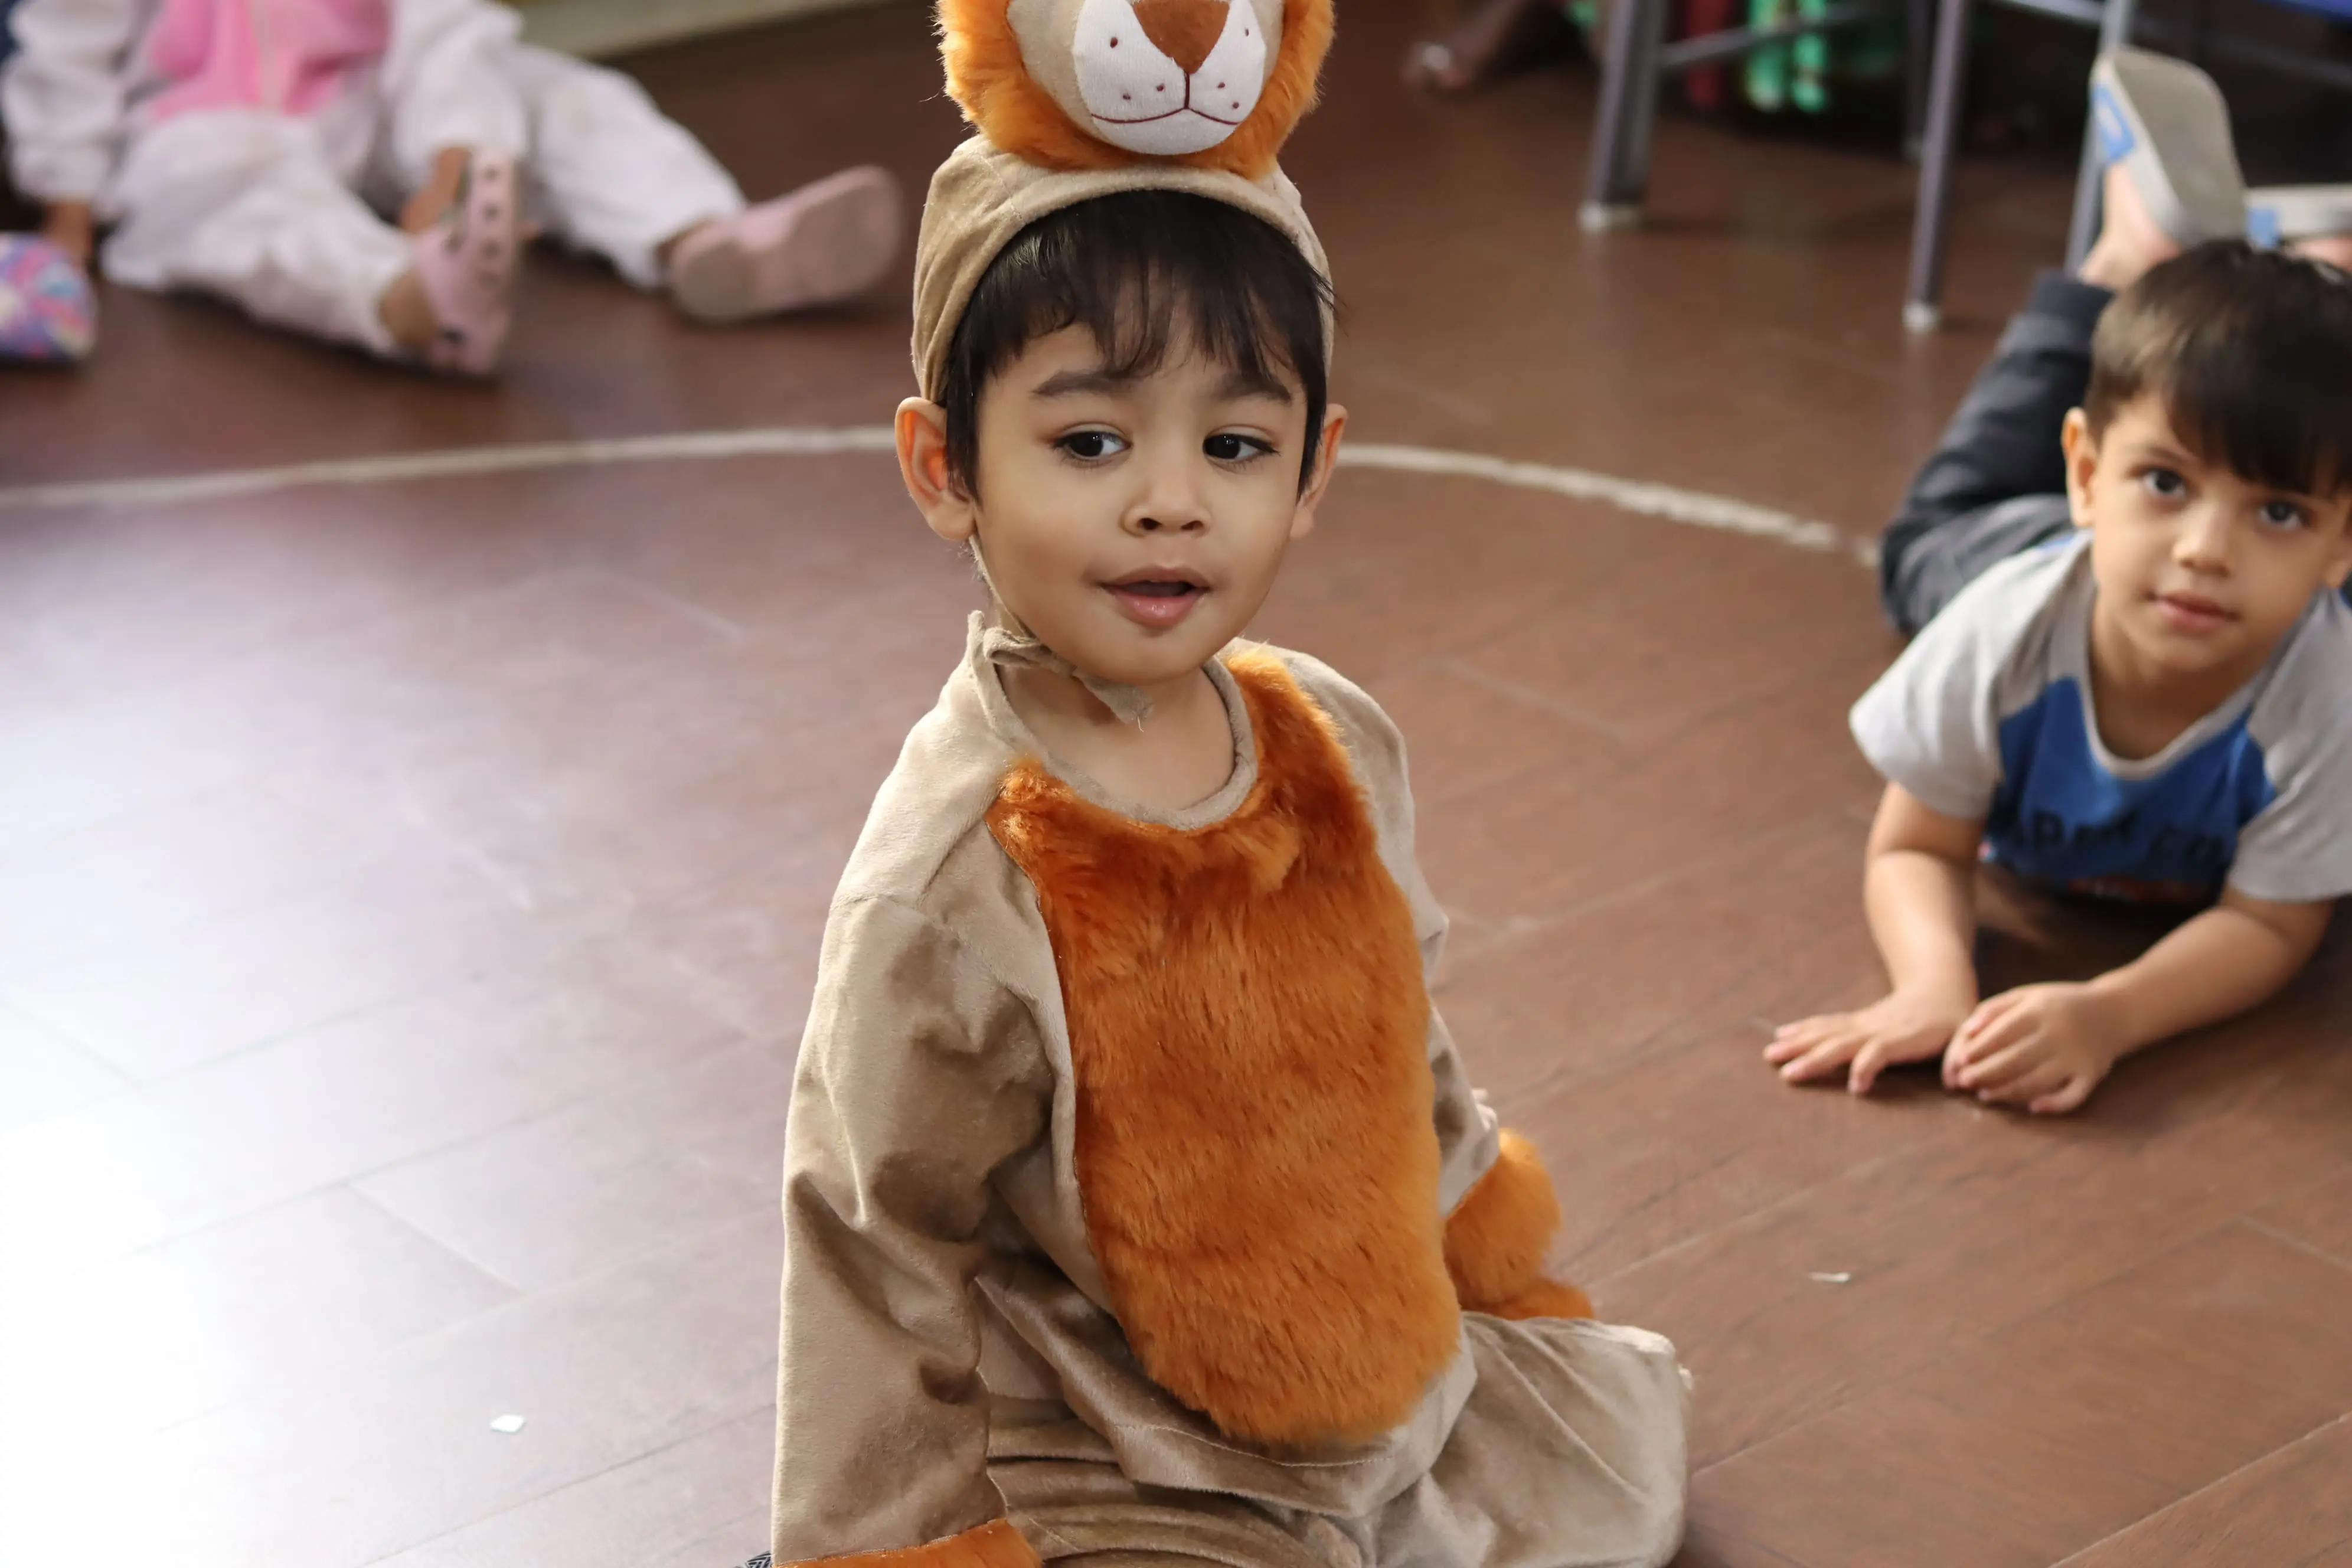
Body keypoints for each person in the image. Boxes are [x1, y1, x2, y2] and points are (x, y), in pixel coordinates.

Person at [740, 0, 1691, 1563]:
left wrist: (1484, 1262)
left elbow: (1400, 1051)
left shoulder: (1328, 735)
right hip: (1116, 1431)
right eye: (1092, 441)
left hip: (1374, 1387)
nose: (1171, 504)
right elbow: (876, 1235)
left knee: (1616, 1443)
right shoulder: (958, 874)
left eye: (1235, 448)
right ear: (944, 468)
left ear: (1315, 468)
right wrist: (900, 1533)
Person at [1769, 50, 2352, 1116]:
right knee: (1923, 550)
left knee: (2285, 411)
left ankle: (2314, 282)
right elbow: (1916, 840)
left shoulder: (2328, 695)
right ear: (2085, 473)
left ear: (2340, 541)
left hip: (2266, 592)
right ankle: (2132, 256)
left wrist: (2109, 1012)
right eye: (2166, 484)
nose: (2206, 551)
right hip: (2023, 552)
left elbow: (2275, 924)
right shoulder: (2001, 627)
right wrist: (1933, 987)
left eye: (2276, 512)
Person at [0, 0, 901, 374]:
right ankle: (403, 299)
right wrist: (66, 198)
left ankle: (702, 237)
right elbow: (67, 42)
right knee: (244, 200)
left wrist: (457, 152)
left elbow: (445, 22)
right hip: (198, 116)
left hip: (373, 90)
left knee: (562, 96)